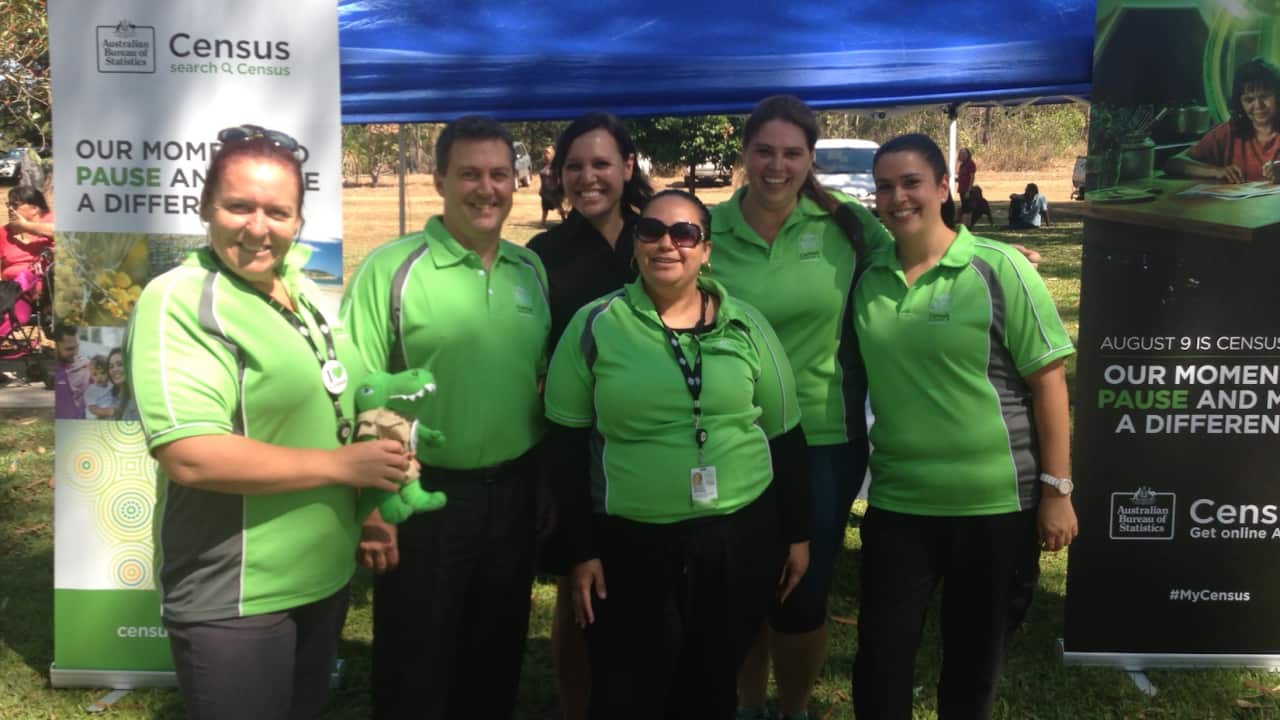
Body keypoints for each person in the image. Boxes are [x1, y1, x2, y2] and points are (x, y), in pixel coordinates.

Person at [125, 125, 413, 719]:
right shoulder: (179, 299)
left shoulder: (303, 295)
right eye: (239, 206)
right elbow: (191, 453)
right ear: (205, 207)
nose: (258, 227)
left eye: (277, 212)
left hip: (322, 578)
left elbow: (352, 396)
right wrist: (340, 466)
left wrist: (374, 506)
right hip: (237, 596)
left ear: (298, 220)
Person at [544, 189, 811, 719]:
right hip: (630, 541)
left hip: (737, 535)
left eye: (684, 233)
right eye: (651, 231)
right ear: (636, 245)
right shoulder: (596, 324)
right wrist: (580, 550)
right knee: (626, 690)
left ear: (706, 250)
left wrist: (797, 534)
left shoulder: (747, 325)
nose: (667, 243)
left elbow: (786, 435)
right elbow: (565, 446)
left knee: (712, 687)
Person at [850, 133, 1078, 719]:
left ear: (944, 187)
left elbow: (1049, 383)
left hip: (994, 506)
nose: (898, 197)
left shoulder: (998, 268)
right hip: (900, 504)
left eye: (911, 183)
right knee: (880, 664)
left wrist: (1057, 492)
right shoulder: (867, 277)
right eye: (884, 187)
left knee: (972, 671)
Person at [341, 115, 551, 720]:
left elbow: (532, 382)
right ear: (438, 180)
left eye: (498, 175)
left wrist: (540, 483)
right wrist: (375, 504)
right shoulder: (391, 269)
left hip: (511, 496)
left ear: (517, 181)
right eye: (469, 175)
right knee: (416, 665)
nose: (485, 189)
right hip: (421, 495)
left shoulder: (529, 271)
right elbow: (364, 388)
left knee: (495, 659)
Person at [710, 95, 888, 720]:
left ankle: (794, 708)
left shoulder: (847, 225)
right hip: (727, 434)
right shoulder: (707, 229)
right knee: (740, 587)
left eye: (791, 153)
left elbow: (915, 260)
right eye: (764, 151)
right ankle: (748, 705)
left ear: (809, 158)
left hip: (821, 439)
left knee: (803, 591)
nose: (776, 166)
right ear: (745, 154)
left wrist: (989, 259)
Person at [526, 111, 653, 720]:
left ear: (628, 167)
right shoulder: (543, 255)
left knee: (650, 591)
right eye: (573, 166)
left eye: (601, 163)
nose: (588, 177)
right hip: (575, 448)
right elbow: (532, 360)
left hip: (653, 444)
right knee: (579, 593)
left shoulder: (661, 237)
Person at [1166, 58, 1280, 184]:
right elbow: (1174, 163)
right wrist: (1216, 171)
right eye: (1249, 99)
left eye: (1264, 97)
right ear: (1240, 102)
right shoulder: (1228, 132)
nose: (1258, 105)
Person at [0, 185, 54, 285]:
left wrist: (25, 226)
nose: (10, 209)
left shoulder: (51, 221)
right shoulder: (4, 232)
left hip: (48, 289)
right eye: (9, 205)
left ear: (34, 209)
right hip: (12, 292)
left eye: (15, 205)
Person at [52, 320, 89, 420]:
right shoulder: (51, 371)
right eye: (69, 349)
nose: (75, 353)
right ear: (55, 346)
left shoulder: (85, 365)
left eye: (77, 347)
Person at [540, 145, 568, 226]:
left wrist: (559, 187)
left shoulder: (555, 165)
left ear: (552, 154)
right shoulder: (543, 164)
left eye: (547, 153)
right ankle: (542, 223)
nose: (546, 155)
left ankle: (564, 220)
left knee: (559, 207)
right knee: (544, 208)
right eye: (545, 153)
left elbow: (560, 176)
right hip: (545, 191)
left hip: (554, 191)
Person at [83, 354, 115, 420]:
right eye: (95, 374)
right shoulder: (91, 390)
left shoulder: (111, 384)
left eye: (103, 373)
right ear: (91, 375)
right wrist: (106, 412)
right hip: (95, 418)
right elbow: (92, 408)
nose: (99, 377)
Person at [955, 147, 976, 221]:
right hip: (961, 189)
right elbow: (962, 177)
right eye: (961, 154)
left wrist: (968, 190)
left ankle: (966, 226)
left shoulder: (971, 164)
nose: (962, 155)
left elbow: (972, 177)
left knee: (967, 209)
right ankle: (962, 224)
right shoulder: (962, 165)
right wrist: (956, 179)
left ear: (968, 154)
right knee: (963, 207)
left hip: (967, 190)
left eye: (964, 154)